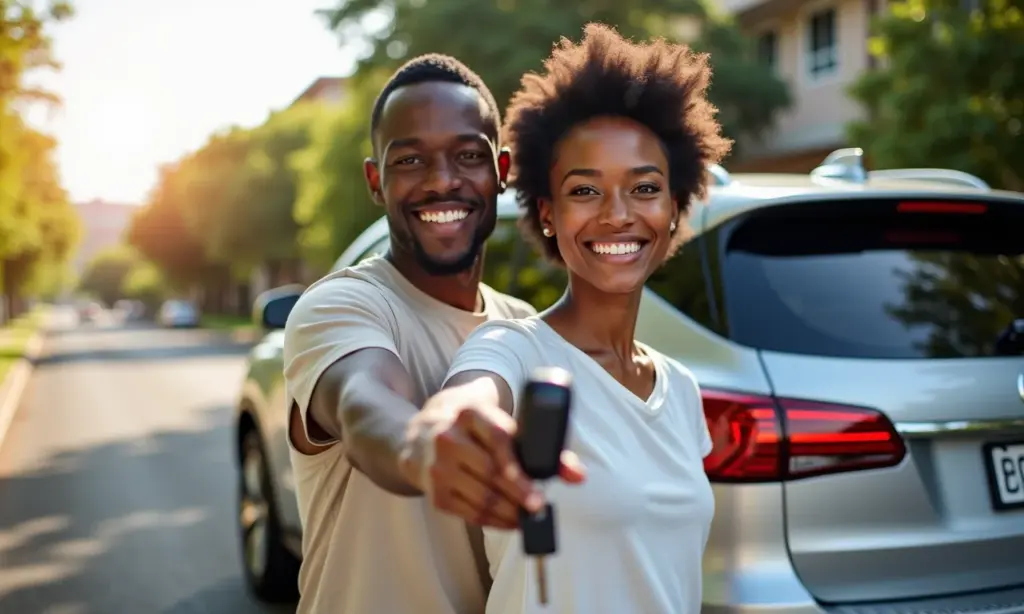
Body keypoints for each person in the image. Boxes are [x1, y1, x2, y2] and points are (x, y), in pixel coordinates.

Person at [421, 23, 732, 613]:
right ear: (547, 213)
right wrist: (449, 425)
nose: (618, 215)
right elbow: (470, 397)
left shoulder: (682, 391)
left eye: (644, 188)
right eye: (586, 192)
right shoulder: (515, 350)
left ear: (674, 209)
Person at [282, 55, 584, 614]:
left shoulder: (524, 330)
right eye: (411, 160)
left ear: (502, 170)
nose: (443, 181)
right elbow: (363, 403)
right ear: (377, 181)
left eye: (467, 156)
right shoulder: (340, 305)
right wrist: (420, 445)